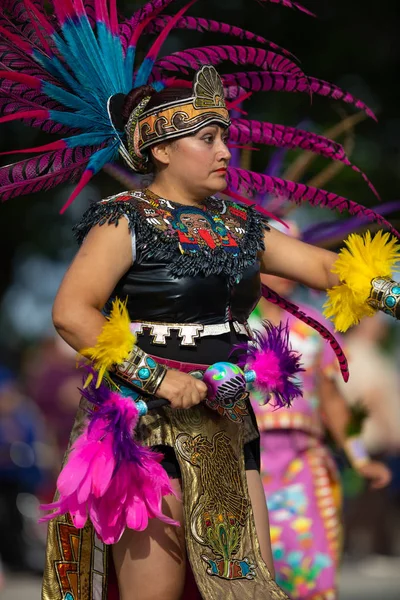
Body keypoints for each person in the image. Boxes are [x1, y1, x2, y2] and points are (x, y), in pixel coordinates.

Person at [1, 2, 400, 600]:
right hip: (144, 427)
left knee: (249, 589)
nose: (223, 152)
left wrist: (393, 293)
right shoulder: (124, 220)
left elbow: (324, 266)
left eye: (225, 139)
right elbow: (70, 312)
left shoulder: (240, 223)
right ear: (161, 150)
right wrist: (157, 377)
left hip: (227, 419)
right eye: (207, 139)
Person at [248, 223, 392, 600]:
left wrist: (359, 458)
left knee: (309, 571)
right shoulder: (229, 325)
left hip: (302, 468)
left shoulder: (314, 327)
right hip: (240, 467)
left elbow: (332, 402)